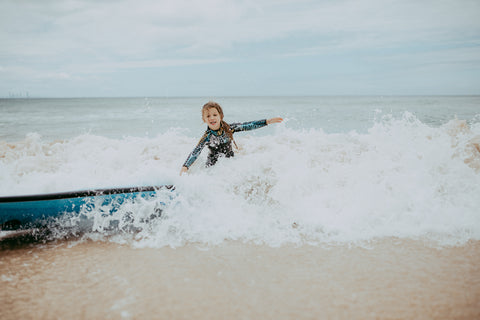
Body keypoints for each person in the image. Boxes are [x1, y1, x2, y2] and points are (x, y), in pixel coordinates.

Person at [180, 101, 283, 175]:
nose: (211, 118)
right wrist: (185, 166)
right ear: (204, 119)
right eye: (208, 116)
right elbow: (195, 152)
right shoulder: (207, 137)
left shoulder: (229, 128)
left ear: (221, 116)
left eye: (214, 115)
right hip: (212, 169)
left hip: (230, 164)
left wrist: (266, 121)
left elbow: (247, 125)